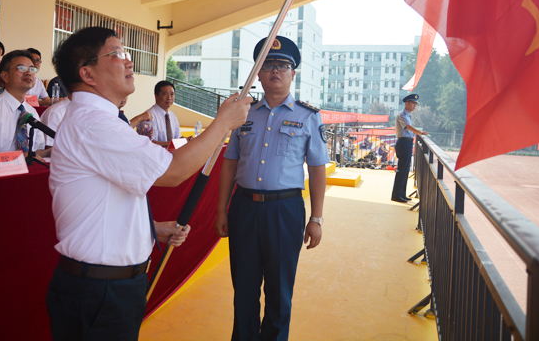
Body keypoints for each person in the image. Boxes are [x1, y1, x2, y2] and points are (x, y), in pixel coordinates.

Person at [45, 26, 252, 341]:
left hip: (109, 286)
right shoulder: (93, 123)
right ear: (87, 73)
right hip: (99, 291)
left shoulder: (101, 120)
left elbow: (102, 202)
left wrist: (150, 227)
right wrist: (223, 122)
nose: (129, 61)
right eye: (117, 54)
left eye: (126, 53)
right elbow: (173, 172)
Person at [215, 36, 329, 341]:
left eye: (282, 65)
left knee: (279, 292)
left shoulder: (308, 116)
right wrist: (221, 209)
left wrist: (316, 219)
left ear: (293, 74)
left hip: (285, 210)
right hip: (244, 208)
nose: (275, 71)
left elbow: (317, 169)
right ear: (258, 74)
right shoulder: (243, 113)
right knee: (244, 288)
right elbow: (230, 163)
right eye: (267, 66)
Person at [391, 94, 428, 203]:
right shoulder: (402, 115)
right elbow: (409, 128)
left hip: (407, 143)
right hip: (403, 143)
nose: (414, 105)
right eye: (413, 103)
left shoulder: (408, 115)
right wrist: (420, 132)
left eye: (416, 103)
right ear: (406, 103)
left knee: (406, 170)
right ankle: (396, 195)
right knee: (402, 170)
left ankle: (402, 193)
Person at [147, 80, 183, 146]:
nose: (169, 98)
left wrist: (185, 139)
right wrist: (173, 143)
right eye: (165, 94)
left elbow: (177, 137)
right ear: (156, 96)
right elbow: (150, 143)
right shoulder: (149, 116)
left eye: (172, 94)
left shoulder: (172, 116)